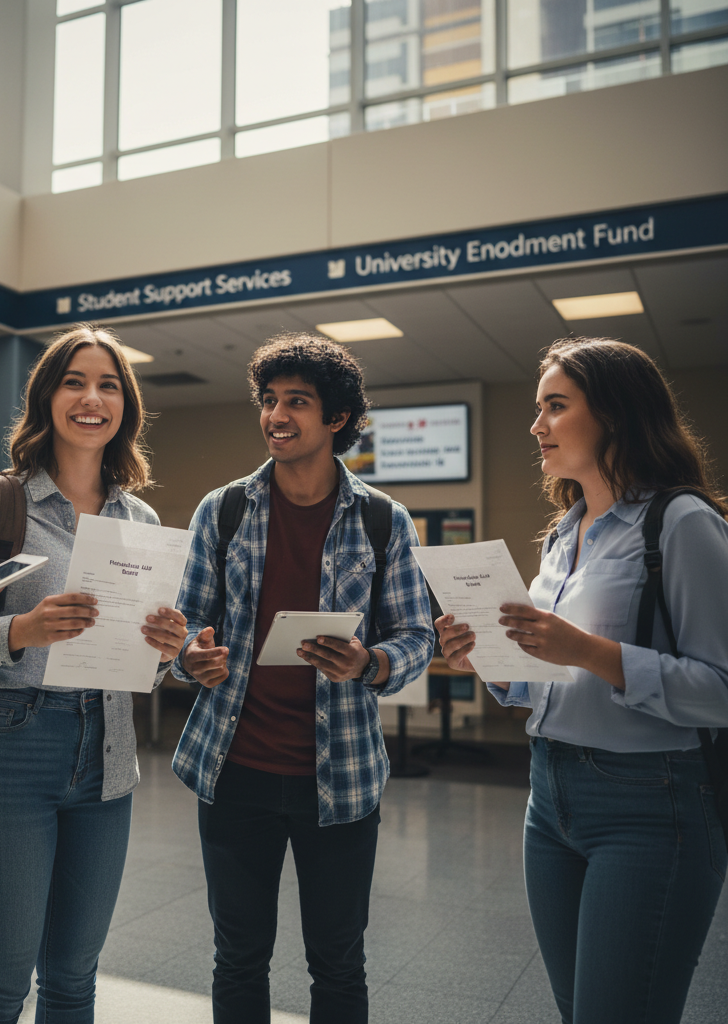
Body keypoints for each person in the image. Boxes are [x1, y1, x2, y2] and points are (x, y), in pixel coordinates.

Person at [436, 337, 728, 1024]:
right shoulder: (563, 534)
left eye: (556, 407)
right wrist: (490, 662)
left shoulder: (683, 523)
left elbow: (720, 687)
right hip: (550, 797)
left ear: (616, 415)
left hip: (651, 805)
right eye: (539, 408)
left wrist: (590, 651)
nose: (537, 426)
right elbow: (548, 676)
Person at [0, 324, 189, 1024]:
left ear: (126, 404)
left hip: (108, 756)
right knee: (0, 985)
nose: (92, 398)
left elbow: (138, 671)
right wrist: (20, 632)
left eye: (108, 385)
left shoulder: (141, 519)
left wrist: (160, 650)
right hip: (9, 748)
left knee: (73, 978)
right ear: (46, 397)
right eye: (74, 381)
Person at [169, 333, 435, 1024]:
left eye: (296, 401)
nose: (275, 415)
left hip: (339, 775)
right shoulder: (222, 510)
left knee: (339, 963)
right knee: (238, 957)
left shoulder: (382, 520)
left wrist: (370, 662)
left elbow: (416, 634)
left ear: (337, 418)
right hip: (234, 771)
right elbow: (184, 625)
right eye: (268, 400)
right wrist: (188, 659)